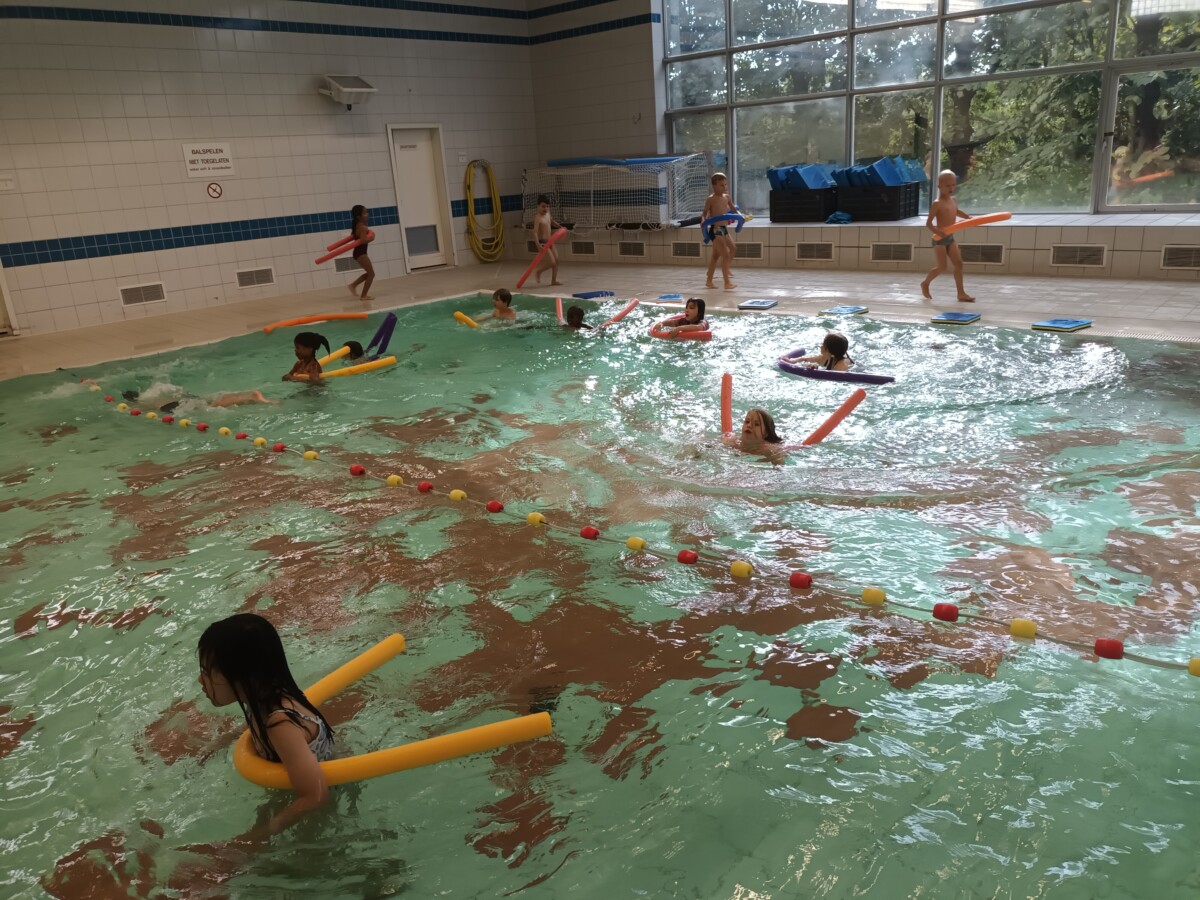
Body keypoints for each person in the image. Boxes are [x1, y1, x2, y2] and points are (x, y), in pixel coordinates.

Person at [197, 614, 333, 841]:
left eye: (207, 671)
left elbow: (315, 797)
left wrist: (258, 837)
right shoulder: (266, 698)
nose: (201, 680)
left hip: (318, 821)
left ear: (240, 676)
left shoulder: (280, 725)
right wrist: (224, 740)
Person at [920, 170, 975, 302]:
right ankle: (925, 283)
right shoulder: (937, 203)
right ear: (939, 186)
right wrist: (938, 232)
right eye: (947, 185)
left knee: (959, 264)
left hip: (950, 238)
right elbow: (928, 223)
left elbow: (956, 211)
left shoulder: (953, 200)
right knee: (942, 267)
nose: (951, 188)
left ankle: (961, 293)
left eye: (953, 185)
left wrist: (967, 217)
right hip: (939, 239)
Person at [702, 173, 739, 290]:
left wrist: (741, 216)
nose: (725, 187)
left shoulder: (726, 197)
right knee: (726, 255)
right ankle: (727, 283)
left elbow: (733, 209)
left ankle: (710, 280)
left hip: (723, 229)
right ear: (714, 186)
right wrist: (703, 224)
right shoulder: (711, 199)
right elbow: (704, 214)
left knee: (729, 250)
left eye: (725, 184)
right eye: (721, 185)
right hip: (715, 229)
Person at [346, 205, 376, 302]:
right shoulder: (363, 227)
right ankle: (363, 296)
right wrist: (372, 238)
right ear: (359, 217)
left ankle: (353, 285)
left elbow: (354, 236)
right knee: (371, 274)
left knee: (369, 273)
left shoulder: (357, 225)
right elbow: (363, 241)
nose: (367, 214)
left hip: (358, 252)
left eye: (367, 212)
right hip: (361, 253)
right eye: (365, 213)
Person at [532, 195, 563, 286]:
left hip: (550, 241)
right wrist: (538, 245)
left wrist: (559, 226)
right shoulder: (538, 218)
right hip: (543, 243)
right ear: (538, 206)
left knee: (556, 261)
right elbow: (535, 233)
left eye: (547, 206)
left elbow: (552, 221)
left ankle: (553, 281)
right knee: (551, 262)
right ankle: (539, 271)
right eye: (543, 206)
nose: (545, 208)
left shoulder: (548, 214)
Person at [785, 332, 853, 371]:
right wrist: (790, 361)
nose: (820, 346)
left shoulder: (842, 364)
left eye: (823, 344)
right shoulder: (825, 357)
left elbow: (836, 378)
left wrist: (818, 369)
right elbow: (804, 359)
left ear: (827, 350)